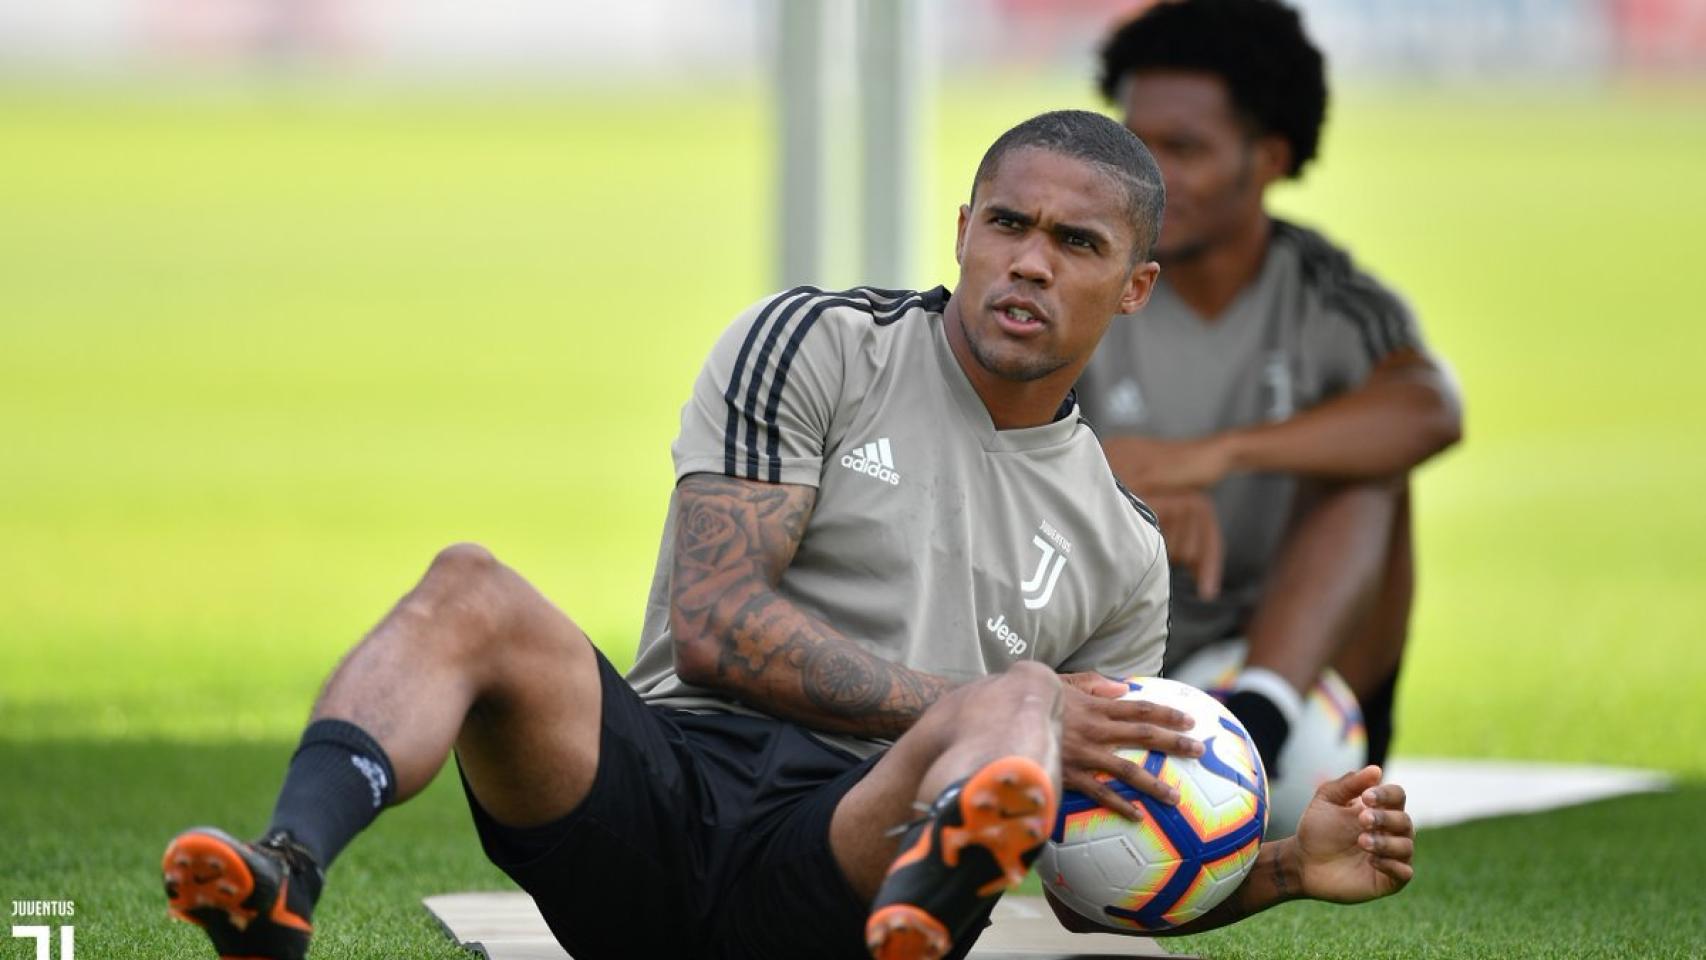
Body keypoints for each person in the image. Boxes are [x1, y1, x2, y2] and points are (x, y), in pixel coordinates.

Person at [159, 110, 1414, 960]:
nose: (1026, 264)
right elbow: (711, 630)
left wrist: (1280, 871)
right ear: (962, 229)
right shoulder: (816, 345)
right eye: (1006, 226)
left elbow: (1098, 885)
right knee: (471, 586)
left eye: (1074, 243)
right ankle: (281, 874)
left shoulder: (1121, 552)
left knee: (1022, 699)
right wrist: (981, 709)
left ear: (1133, 286)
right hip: (653, 804)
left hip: (847, 852)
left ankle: (918, 911)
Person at [1078, 0, 1464, 776]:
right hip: (1116, 660)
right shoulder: (1080, 275)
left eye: (1183, 148)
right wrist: (1105, 487)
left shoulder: (1323, 296)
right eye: (1133, 143)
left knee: (1370, 465)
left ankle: (1259, 723)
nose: (1146, 175)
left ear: (1272, 157)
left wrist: (1217, 457)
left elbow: (1431, 407)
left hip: (1303, 681)